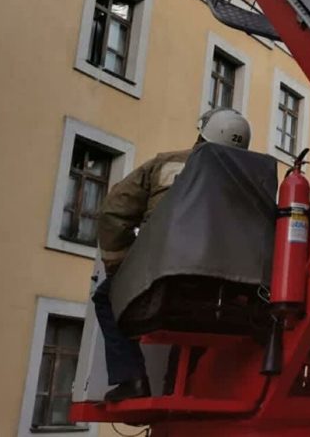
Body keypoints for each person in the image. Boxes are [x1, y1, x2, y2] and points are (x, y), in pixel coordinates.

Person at [93, 108, 251, 402]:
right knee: (195, 323)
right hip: (225, 294)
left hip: (160, 281)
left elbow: (113, 213)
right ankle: (178, 384)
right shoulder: (251, 182)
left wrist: (119, 267)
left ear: (201, 135)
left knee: (105, 297)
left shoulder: (166, 164)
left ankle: (132, 380)